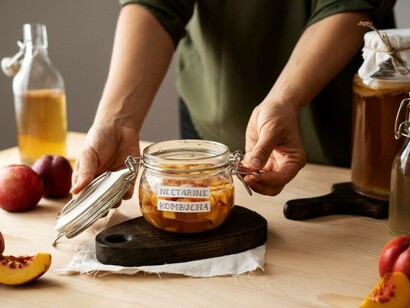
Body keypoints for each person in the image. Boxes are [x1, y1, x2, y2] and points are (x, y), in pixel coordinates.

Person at [71, 0, 396, 198]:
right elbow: (157, 2)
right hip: (209, 110)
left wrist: (285, 99)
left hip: (336, 111)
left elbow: (348, 2)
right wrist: (117, 121)